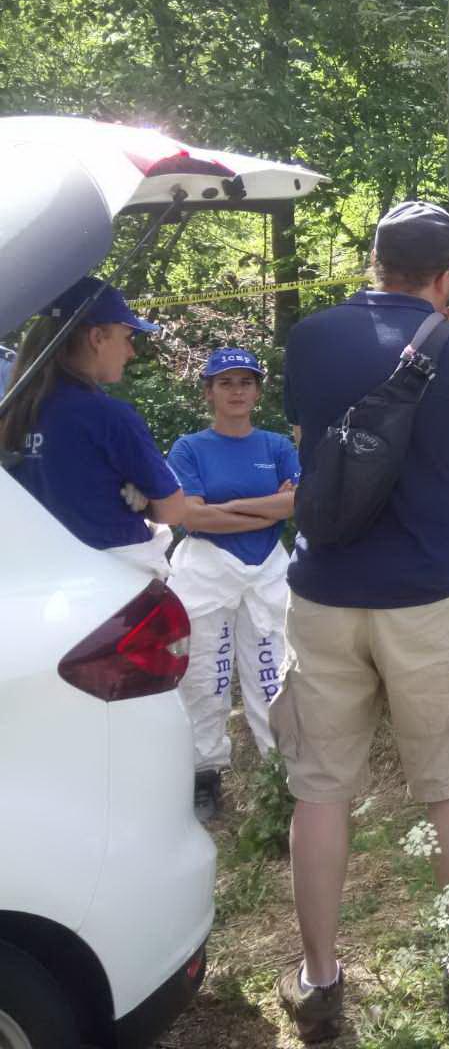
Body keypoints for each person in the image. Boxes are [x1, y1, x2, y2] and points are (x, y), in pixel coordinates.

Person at [271, 201, 449, 1039]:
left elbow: (311, 444)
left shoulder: (311, 338)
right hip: (430, 597)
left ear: (374, 263)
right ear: (448, 279)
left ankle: (321, 979)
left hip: (325, 592)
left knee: (321, 791)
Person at [166, 348, 299, 822]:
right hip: (206, 570)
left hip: (267, 567)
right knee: (206, 675)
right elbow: (189, 515)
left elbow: (296, 504)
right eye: (226, 383)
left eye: (246, 381)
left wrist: (226, 509)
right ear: (209, 392)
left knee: (274, 674)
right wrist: (262, 505)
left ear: (258, 390)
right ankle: (205, 777)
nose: (238, 391)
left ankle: (281, 777)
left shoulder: (277, 446)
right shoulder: (189, 448)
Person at [0, 276, 188, 577]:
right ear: (97, 337)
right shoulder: (107, 416)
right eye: (127, 337)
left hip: (41, 577)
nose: (131, 352)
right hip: (115, 585)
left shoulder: (15, 412)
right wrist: (146, 502)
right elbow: (174, 510)